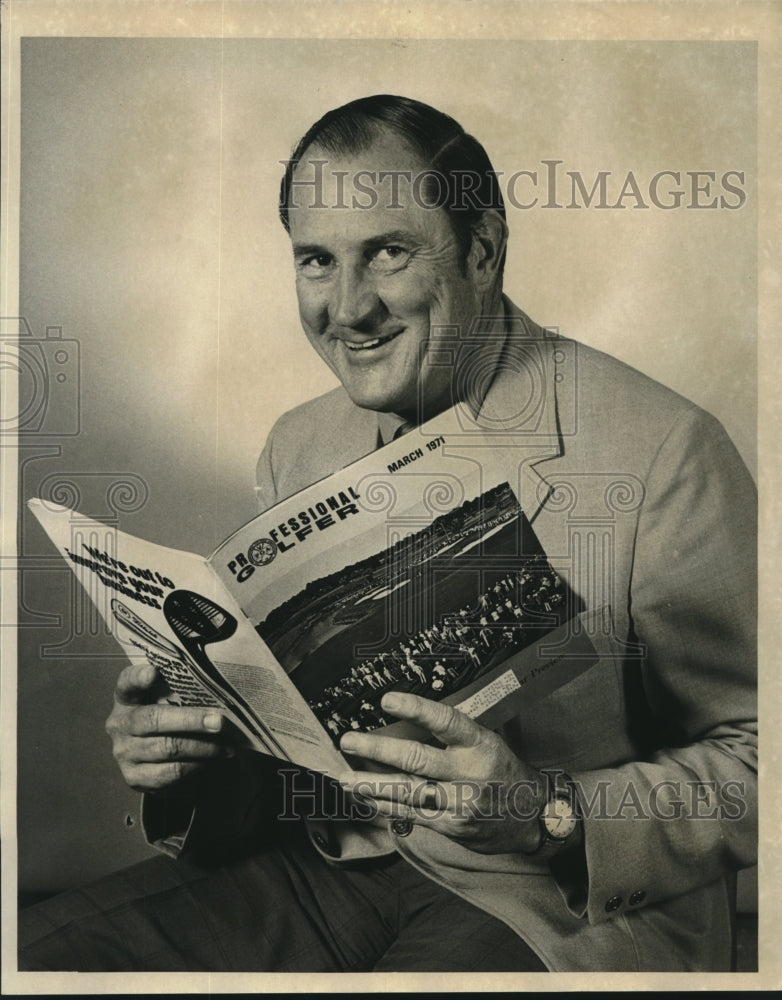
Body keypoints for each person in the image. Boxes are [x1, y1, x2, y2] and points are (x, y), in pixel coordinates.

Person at [18, 95, 756, 973]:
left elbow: (760, 763)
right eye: (317, 262)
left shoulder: (666, 449)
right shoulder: (301, 441)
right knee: (44, 954)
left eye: (389, 253)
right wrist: (187, 757)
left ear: (482, 249)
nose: (348, 307)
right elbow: (295, 745)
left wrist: (547, 810)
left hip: (546, 902)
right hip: (331, 861)